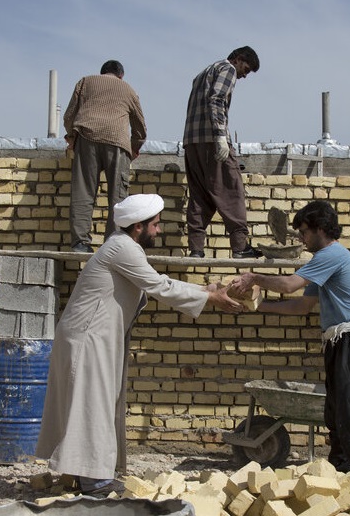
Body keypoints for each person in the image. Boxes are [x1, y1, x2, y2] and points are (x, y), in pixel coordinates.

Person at [35, 193, 244, 496]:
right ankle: (95, 482)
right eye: (155, 225)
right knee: (93, 405)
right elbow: (159, 285)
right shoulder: (123, 248)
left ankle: (86, 475)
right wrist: (210, 298)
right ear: (138, 227)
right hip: (88, 340)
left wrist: (206, 289)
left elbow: (156, 280)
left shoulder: (122, 246)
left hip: (92, 338)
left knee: (92, 404)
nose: (159, 231)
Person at [231, 200, 350, 485]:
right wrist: (256, 307)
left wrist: (254, 277)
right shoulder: (323, 263)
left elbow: (289, 285)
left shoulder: (332, 254)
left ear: (320, 229)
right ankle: (343, 473)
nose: (301, 238)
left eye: (303, 231)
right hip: (341, 342)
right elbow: (300, 306)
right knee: (337, 413)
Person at [182, 46, 262, 259]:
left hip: (192, 142)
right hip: (212, 141)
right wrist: (220, 136)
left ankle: (196, 249)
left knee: (199, 196)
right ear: (238, 59)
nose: (244, 75)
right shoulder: (228, 69)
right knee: (232, 190)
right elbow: (217, 100)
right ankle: (240, 247)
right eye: (246, 69)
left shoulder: (202, 74)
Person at [63, 60, 147, 253]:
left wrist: (71, 136)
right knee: (117, 197)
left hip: (87, 137)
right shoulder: (128, 89)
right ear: (121, 76)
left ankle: (80, 243)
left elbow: (69, 115)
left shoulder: (85, 82)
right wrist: (134, 147)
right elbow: (140, 127)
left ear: (102, 73)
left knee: (83, 192)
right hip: (118, 142)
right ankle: (113, 245)